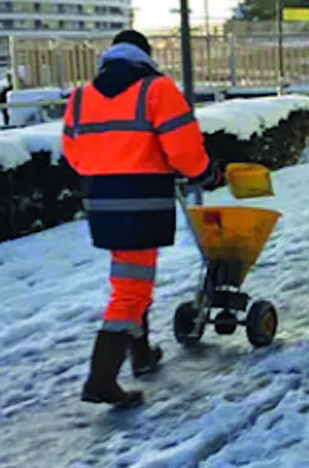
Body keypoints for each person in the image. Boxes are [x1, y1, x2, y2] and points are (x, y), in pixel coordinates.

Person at [62, 30, 220, 407]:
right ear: (144, 56)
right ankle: (101, 381)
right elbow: (184, 149)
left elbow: (72, 151)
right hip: (141, 200)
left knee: (131, 277)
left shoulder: (81, 96)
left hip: (101, 201)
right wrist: (206, 174)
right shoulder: (156, 89)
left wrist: (107, 169)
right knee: (131, 290)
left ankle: (142, 356)